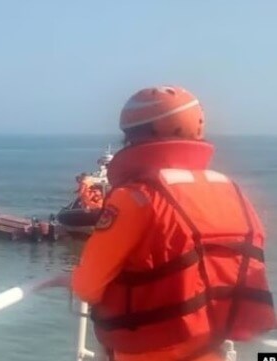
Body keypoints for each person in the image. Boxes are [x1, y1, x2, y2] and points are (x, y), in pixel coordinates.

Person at [55, 85, 275, 361]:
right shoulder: (233, 191)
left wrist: (73, 279)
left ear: (139, 136)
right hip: (210, 349)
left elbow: (88, 285)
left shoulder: (135, 198)